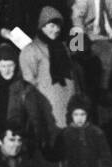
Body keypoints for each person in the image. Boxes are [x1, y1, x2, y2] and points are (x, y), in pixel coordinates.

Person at [20, 6, 78, 136]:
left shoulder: (63, 47)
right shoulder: (31, 49)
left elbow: (72, 72)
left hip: (67, 98)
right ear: (42, 26)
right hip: (47, 103)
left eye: (58, 26)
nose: (56, 30)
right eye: (51, 26)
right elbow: (28, 80)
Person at [54, 95, 112, 167]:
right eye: (76, 114)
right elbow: (61, 158)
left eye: (82, 114)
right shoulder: (65, 133)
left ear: (87, 115)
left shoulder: (97, 133)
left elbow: (106, 158)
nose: (79, 118)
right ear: (71, 115)